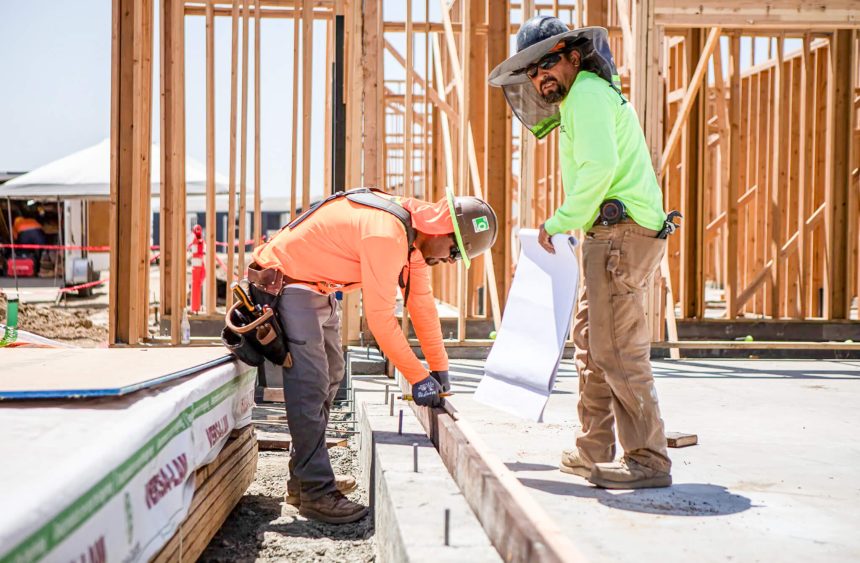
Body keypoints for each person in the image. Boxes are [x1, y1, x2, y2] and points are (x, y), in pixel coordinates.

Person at [489, 16, 673, 489]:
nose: (538, 78)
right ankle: (594, 450)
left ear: (573, 56)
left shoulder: (587, 94)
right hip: (611, 232)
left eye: (544, 64)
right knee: (593, 343)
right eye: (530, 72)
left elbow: (599, 168)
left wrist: (557, 222)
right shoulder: (583, 97)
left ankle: (648, 458)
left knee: (616, 349)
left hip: (619, 232)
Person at [248, 187, 497, 523]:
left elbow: (421, 306)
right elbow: (380, 321)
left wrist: (439, 370)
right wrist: (417, 377)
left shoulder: (412, 240)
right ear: (442, 228)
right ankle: (316, 491)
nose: (448, 261)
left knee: (333, 372)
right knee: (311, 382)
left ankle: (302, 480)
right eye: (454, 252)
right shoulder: (387, 234)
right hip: (287, 281)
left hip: (315, 285)